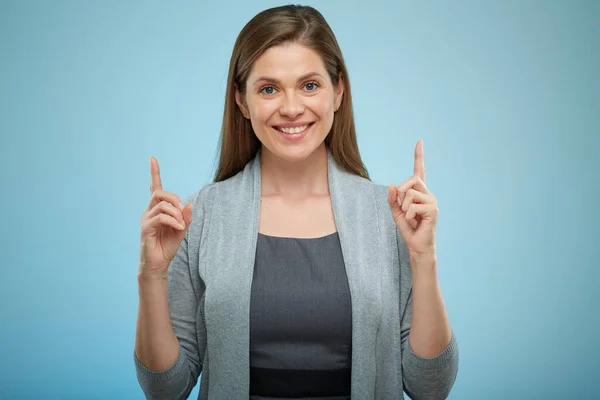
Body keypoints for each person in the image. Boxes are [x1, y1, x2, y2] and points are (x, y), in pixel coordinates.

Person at [134, 4, 459, 400]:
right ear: (241, 101)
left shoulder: (391, 217)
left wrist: (424, 259)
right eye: (268, 89)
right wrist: (151, 276)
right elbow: (165, 389)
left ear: (338, 92)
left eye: (309, 85)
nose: (291, 107)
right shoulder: (198, 217)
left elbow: (431, 387)